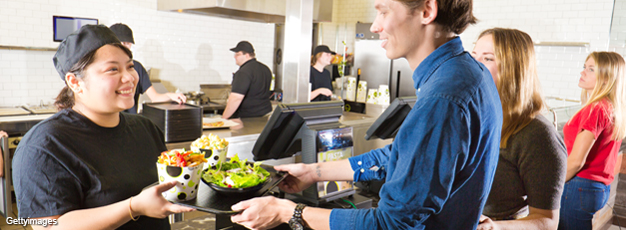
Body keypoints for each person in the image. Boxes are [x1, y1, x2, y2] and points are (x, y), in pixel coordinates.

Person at [229, 0, 503, 229]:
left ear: (427, 11)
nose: (375, 26)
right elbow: (400, 156)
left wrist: (288, 212)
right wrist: (314, 171)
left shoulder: (443, 98)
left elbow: (391, 224)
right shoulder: (470, 73)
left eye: (383, 11)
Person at [11, 25, 194, 230]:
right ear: (75, 82)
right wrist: (133, 207)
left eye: (130, 66)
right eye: (113, 69)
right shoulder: (44, 146)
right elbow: (49, 226)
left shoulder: (146, 128)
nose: (130, 78)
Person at [472, 28, 567, 230]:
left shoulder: (538, 134)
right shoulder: (475, 117)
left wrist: (495, 227)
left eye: (488, 59)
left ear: (513, 69)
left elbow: (547, 221)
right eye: (473, 56)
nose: (474, 65)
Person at [558, 51, 626, 230]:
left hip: (579, 186)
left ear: (606, 78)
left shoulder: (595, 109)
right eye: (584, 67)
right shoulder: (610, 107)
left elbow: (576, 161)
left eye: (591, 69)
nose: (582, 72)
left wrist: (553, 185)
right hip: (597, 188)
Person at [109, 23, 186, 114]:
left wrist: (170, 95)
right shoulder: (104, 68)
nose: (123, 47)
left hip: (130, 124)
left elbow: (155, 97)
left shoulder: (137, 68)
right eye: (119, 43)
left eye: (127, 43)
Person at [222, 41, 272, 119]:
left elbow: (236, 98)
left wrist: (224, 118)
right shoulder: (265, 68)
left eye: (237, 54)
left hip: (247, 118)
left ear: (247, 55)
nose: (235, 57)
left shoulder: (243, 72)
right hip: (265, 115)